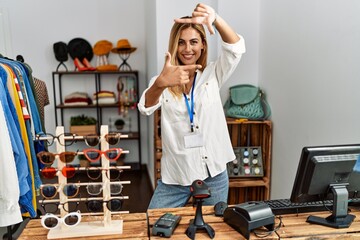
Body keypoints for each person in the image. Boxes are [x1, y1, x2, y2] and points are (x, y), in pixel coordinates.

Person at [138, 3, 246, 209]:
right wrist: (161, 83)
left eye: (194, 42)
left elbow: (236, 49)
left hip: (213, 172)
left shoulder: (213, 74)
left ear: (203, 45)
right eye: (181, 43)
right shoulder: (162, 80)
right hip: (177, 176)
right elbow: (145, 107)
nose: (188, 49)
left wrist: (215, 19)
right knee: (153, 224)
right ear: (174, 45)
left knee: (215, 228)